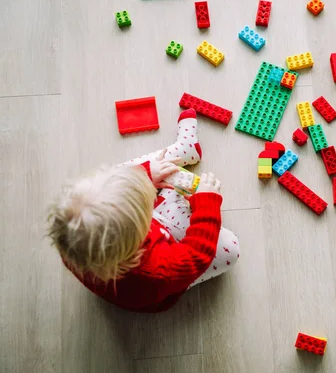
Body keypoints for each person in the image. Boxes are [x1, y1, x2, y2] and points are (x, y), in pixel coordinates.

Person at [47, 110, 239, 312]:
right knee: (230, 248)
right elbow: (196, 255)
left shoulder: (71, 240)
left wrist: (147, 173)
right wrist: (207, 204)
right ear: (142, 232)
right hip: (169, 271)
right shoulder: (159, 271)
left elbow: (121, 187)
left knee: (123, 173)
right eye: (146, 201)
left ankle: (184, 150)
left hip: (130, 235)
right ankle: (175, 165)